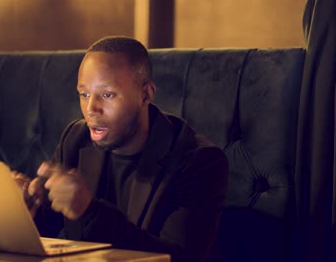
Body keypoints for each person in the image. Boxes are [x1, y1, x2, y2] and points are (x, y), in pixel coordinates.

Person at [14, 36, 228, 262]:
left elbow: (180, 258)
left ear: (145, 94)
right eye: (84, 94)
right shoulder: (76, 139)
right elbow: (52, 226)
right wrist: (26, 207)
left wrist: (89, 211)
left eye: (107, 95)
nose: (90, 109)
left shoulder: (199, 161)